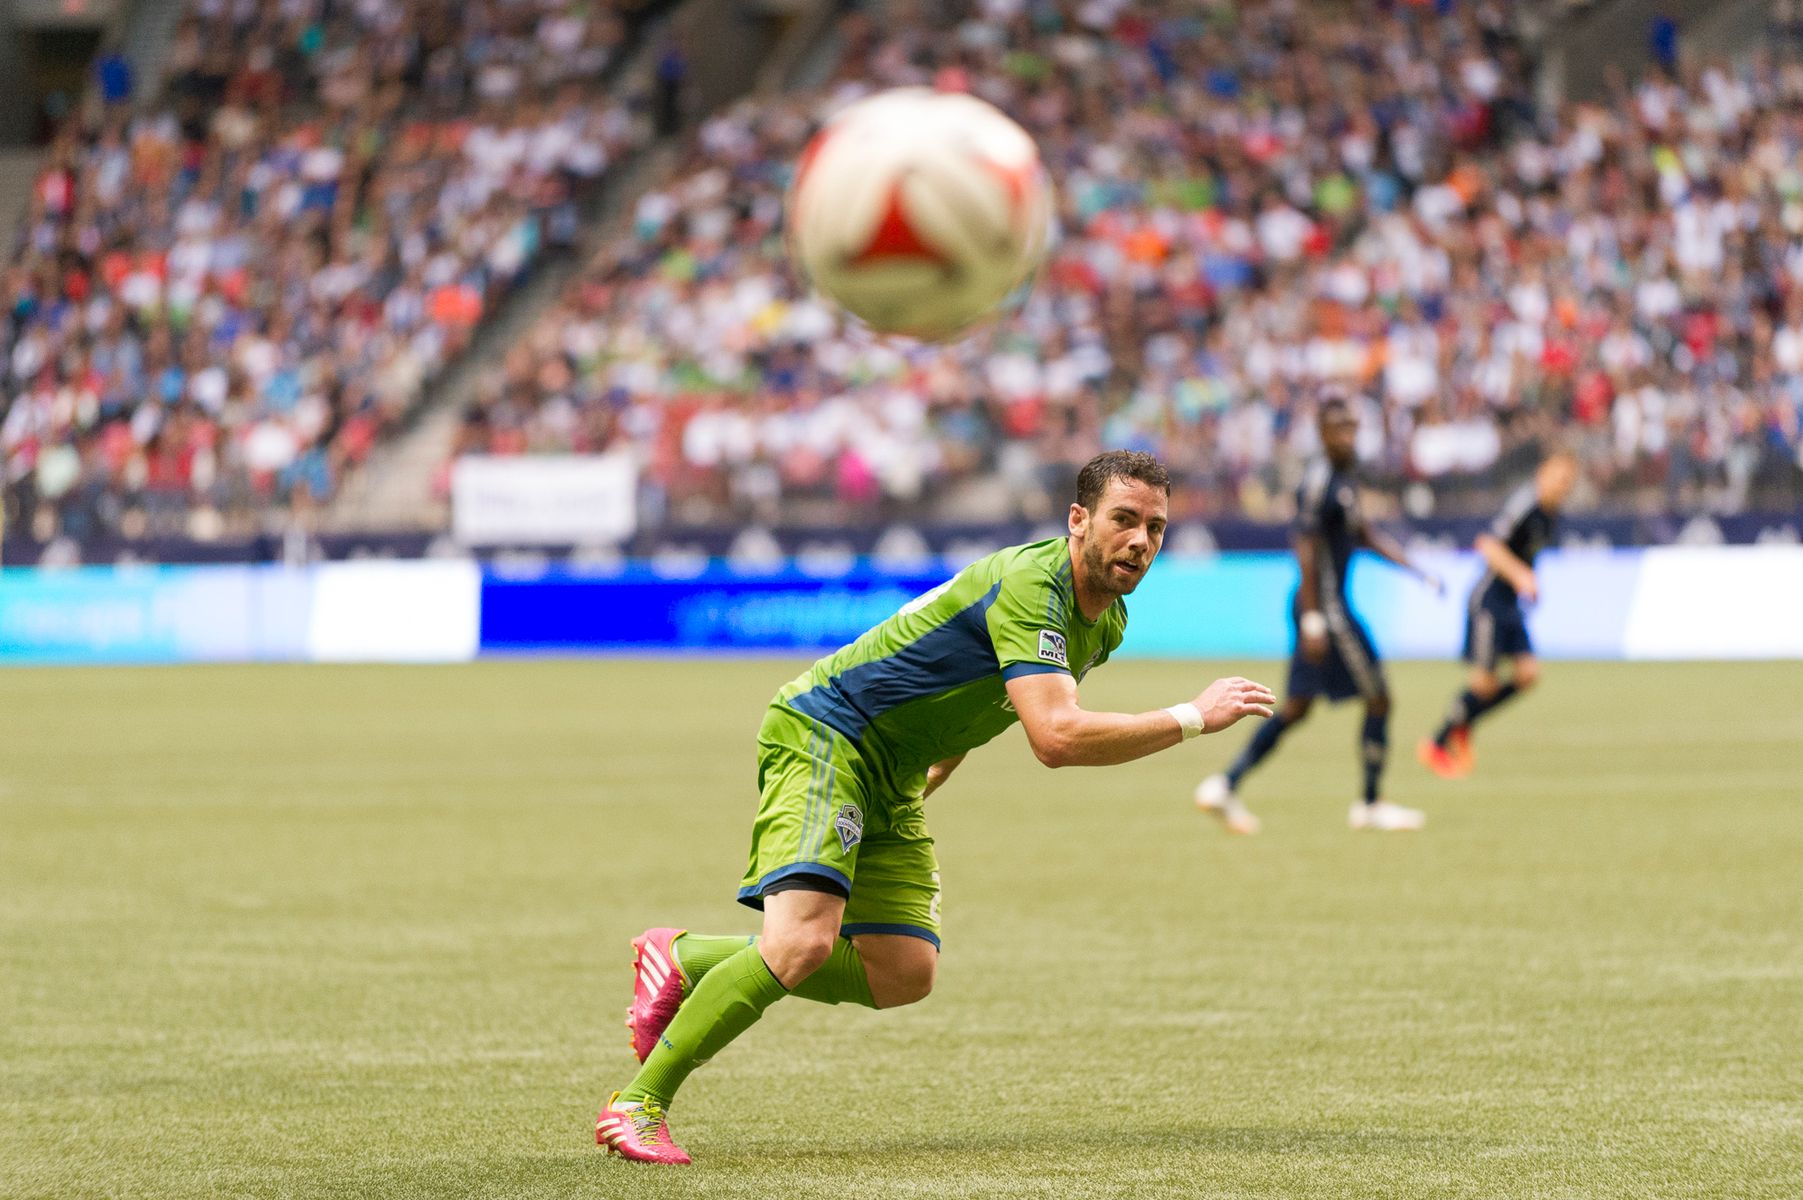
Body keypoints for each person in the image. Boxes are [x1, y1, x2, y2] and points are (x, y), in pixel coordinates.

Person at [595, 450, 1277, 1164]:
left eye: (1156, 528)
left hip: (891, 770)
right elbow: (1055, 737)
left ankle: (681, 956)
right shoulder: (1033, 582)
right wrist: (1193, 716)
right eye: (1124, 520)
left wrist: (924, 778)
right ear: (1078, 521)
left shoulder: (1104, 624)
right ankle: (637, 1103)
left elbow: (988, 701)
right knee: (801, 942)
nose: (1140, 540)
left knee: (901, 971)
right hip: (830, 731)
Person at [1196, 394, 1443, 835]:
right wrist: (1313, 617)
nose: (1348, 435)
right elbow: (1305, 547)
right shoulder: (1318, 480)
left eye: (1352, 427)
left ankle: (1224, 784)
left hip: (1324, 606)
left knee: (1296, 707)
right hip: (1325, 607)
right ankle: (1370, 804)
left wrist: (1414, 569)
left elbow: (1362, 533)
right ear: (1323, 434)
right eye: (1339, 428)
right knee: (1379, 697)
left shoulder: (1346, 476)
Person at [1418, 452, 1578, 777]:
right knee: (1484, 684)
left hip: (1510, 604)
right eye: (1559, 479)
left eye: (1568, 483)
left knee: (1528, 674)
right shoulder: (1525, 505)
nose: (1563, 487)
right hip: (1489, 602)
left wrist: (1526, 582)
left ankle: (1464, 722)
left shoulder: (1550, 515)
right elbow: (1488, 545)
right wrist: (1521, 576)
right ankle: (1437, 742)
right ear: (1542, 474)